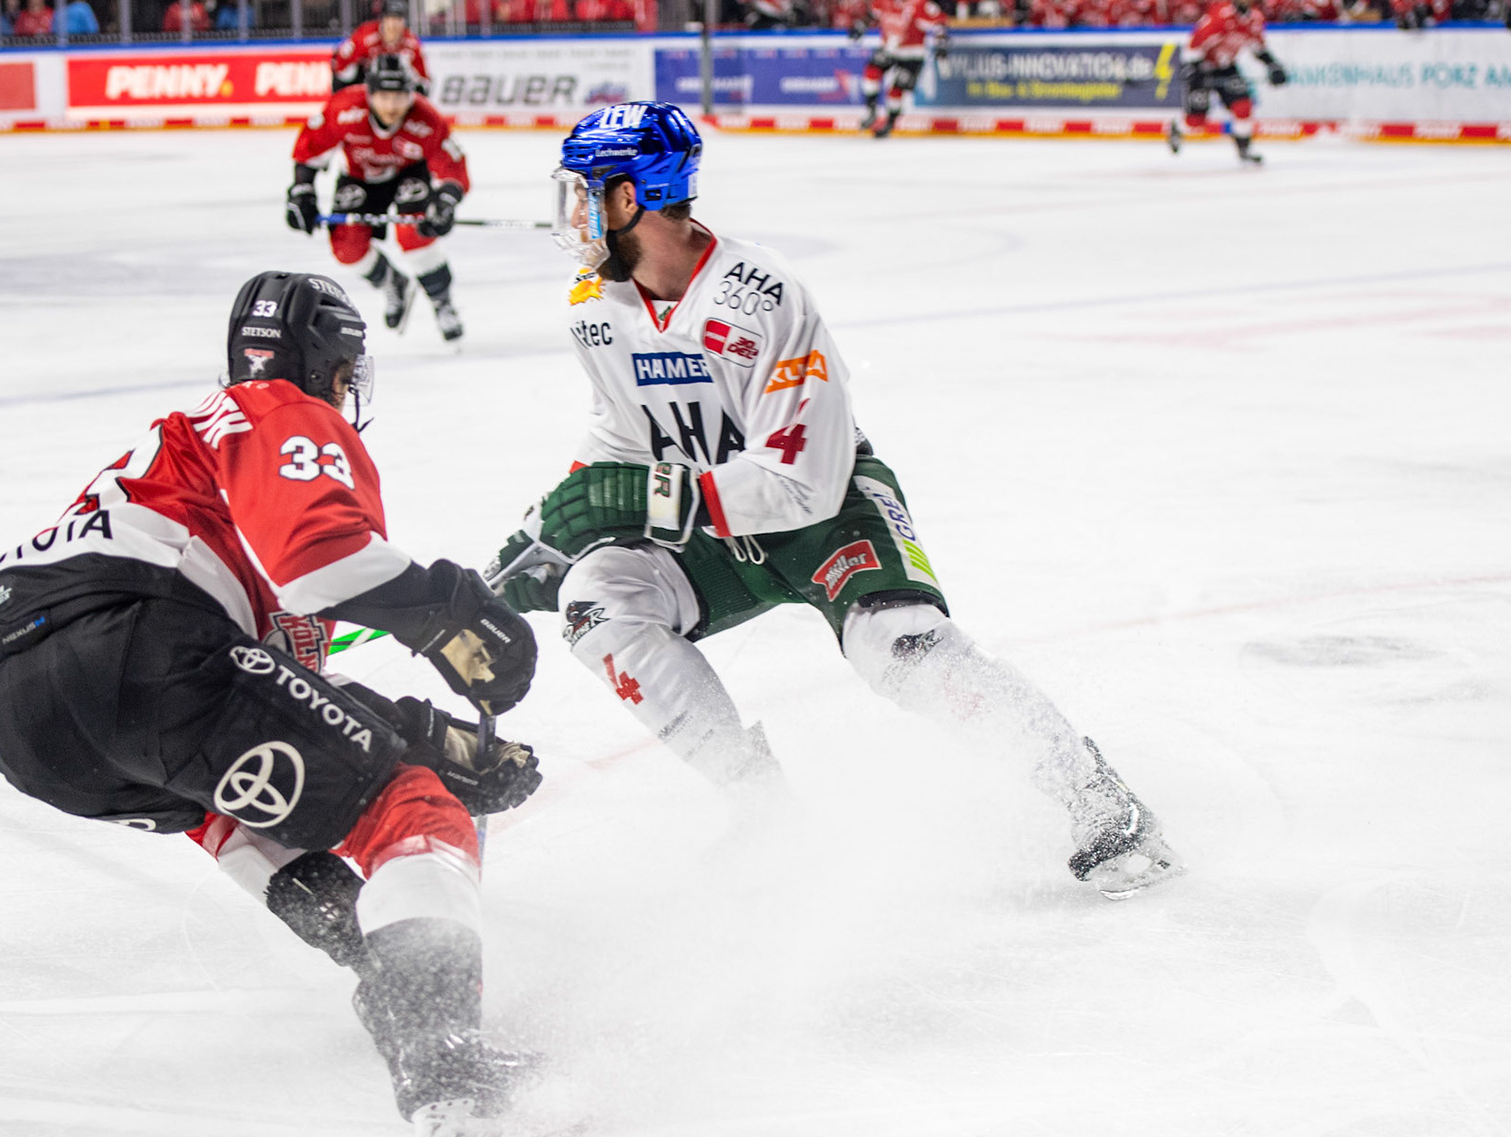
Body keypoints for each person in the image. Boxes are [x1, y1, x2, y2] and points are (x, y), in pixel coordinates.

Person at [490, 103, 1185, 902]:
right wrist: (550, 527)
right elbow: (620, 432)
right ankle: (766, 814)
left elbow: (802, 484)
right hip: (710, 523)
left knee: (900, 648)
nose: (572, 210)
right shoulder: (594, 305)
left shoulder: (760, 296)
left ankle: (1103, 804)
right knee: (596, 599)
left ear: (626, 199)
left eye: (585, 191)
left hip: (827, 515)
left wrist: (638, 497)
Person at [0, 271, 545, 1137]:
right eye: (347, 374)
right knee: (412, 808)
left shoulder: (180, 460)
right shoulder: (279, 409)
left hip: (37, 727)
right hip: (143, 646)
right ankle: (451, 1082)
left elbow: (258, 709)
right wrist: (455, 615)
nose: (349, 395)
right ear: (327, 364)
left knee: (233, 799)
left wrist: (408, 743)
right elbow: (322, 561)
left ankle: (404, 997)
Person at [287, 55, 470, 343]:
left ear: (412, 94)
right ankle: (391, 280)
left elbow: (453, 169)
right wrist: (302, 191)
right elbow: (311, 148)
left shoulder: (426, 119)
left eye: (400, 96)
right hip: (358, 178)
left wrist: (445, 203)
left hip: (409, 174)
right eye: (384, 96)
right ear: (369, 93)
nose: (392, 106)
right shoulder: (345, 108)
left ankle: (441, 300)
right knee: (347, 248)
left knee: (415, 234)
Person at [1168, 0, 1287, 164]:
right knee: (1196, 121)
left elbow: (1257, 47)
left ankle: (1244, 150)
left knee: (1243, 107)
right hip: (1202, 67)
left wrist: (1272, 65)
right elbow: (1195, 42)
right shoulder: (1221, 15)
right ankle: (1177, 127)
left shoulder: (1255, 18)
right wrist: (1193, 68)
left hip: (1227, 68)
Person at [852, 0, 947, 137]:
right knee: (872, 71)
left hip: (912, 54)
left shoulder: (920, 4)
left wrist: (941, 43)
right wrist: (861, 26)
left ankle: (890, 122)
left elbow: (939, 24)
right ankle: (871, 110)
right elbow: (873, 14)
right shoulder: (883, 1)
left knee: (896, 91)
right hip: (890, 49)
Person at [331, 0, 429, 94]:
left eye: (398, 19)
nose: (393, 24)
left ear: (404, 21)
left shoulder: (411, 43)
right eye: (389, 18)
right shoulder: (365, 36)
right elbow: (340, 63)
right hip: (365, 87)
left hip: (397, 95)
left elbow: (423, 79)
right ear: (382, 20)